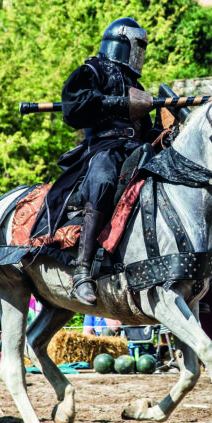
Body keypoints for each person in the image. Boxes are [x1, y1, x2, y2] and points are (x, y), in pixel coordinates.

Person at [36, 17, 155, 306]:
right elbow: (74, 108)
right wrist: (121, 104)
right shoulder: (92, 70)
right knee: (103, 181)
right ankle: (82, 271)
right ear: (122, 43)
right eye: (136, 47)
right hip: (105, 145)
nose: (139, 54)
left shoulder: (133, 81)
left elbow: (147, 126)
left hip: (136, 146)